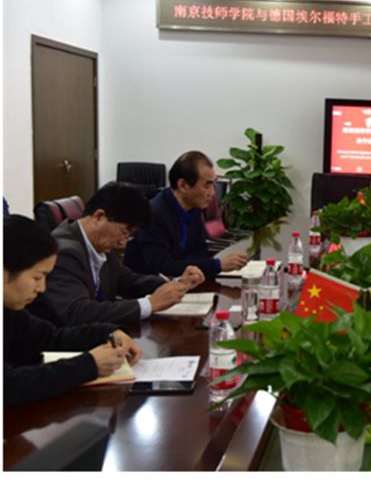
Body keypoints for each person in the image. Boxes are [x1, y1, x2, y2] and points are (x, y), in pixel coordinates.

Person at [4, 215, 142, 407]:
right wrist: (88, 365)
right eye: (37, 277)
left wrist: (108, 333)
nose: (42, 288)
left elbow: (52, 338)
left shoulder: (10, 310)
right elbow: (8, 386)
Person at [27, 182, 204, 326]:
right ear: (99, 217)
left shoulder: (99, 243)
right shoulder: (64, 252)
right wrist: (149, 304)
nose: (123, 243)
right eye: (124, 232)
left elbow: (129, 281)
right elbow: (77, 312)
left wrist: (177, 284)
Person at [124, 151, 248, 278]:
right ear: (183, 185)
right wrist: (217, 265)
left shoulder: (194, 208)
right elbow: (164, 266)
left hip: (184, 281)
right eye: (207, 185)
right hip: (149, 284)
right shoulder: (154, 214)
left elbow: (199, 252)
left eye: (213, 184)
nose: (212, 193)